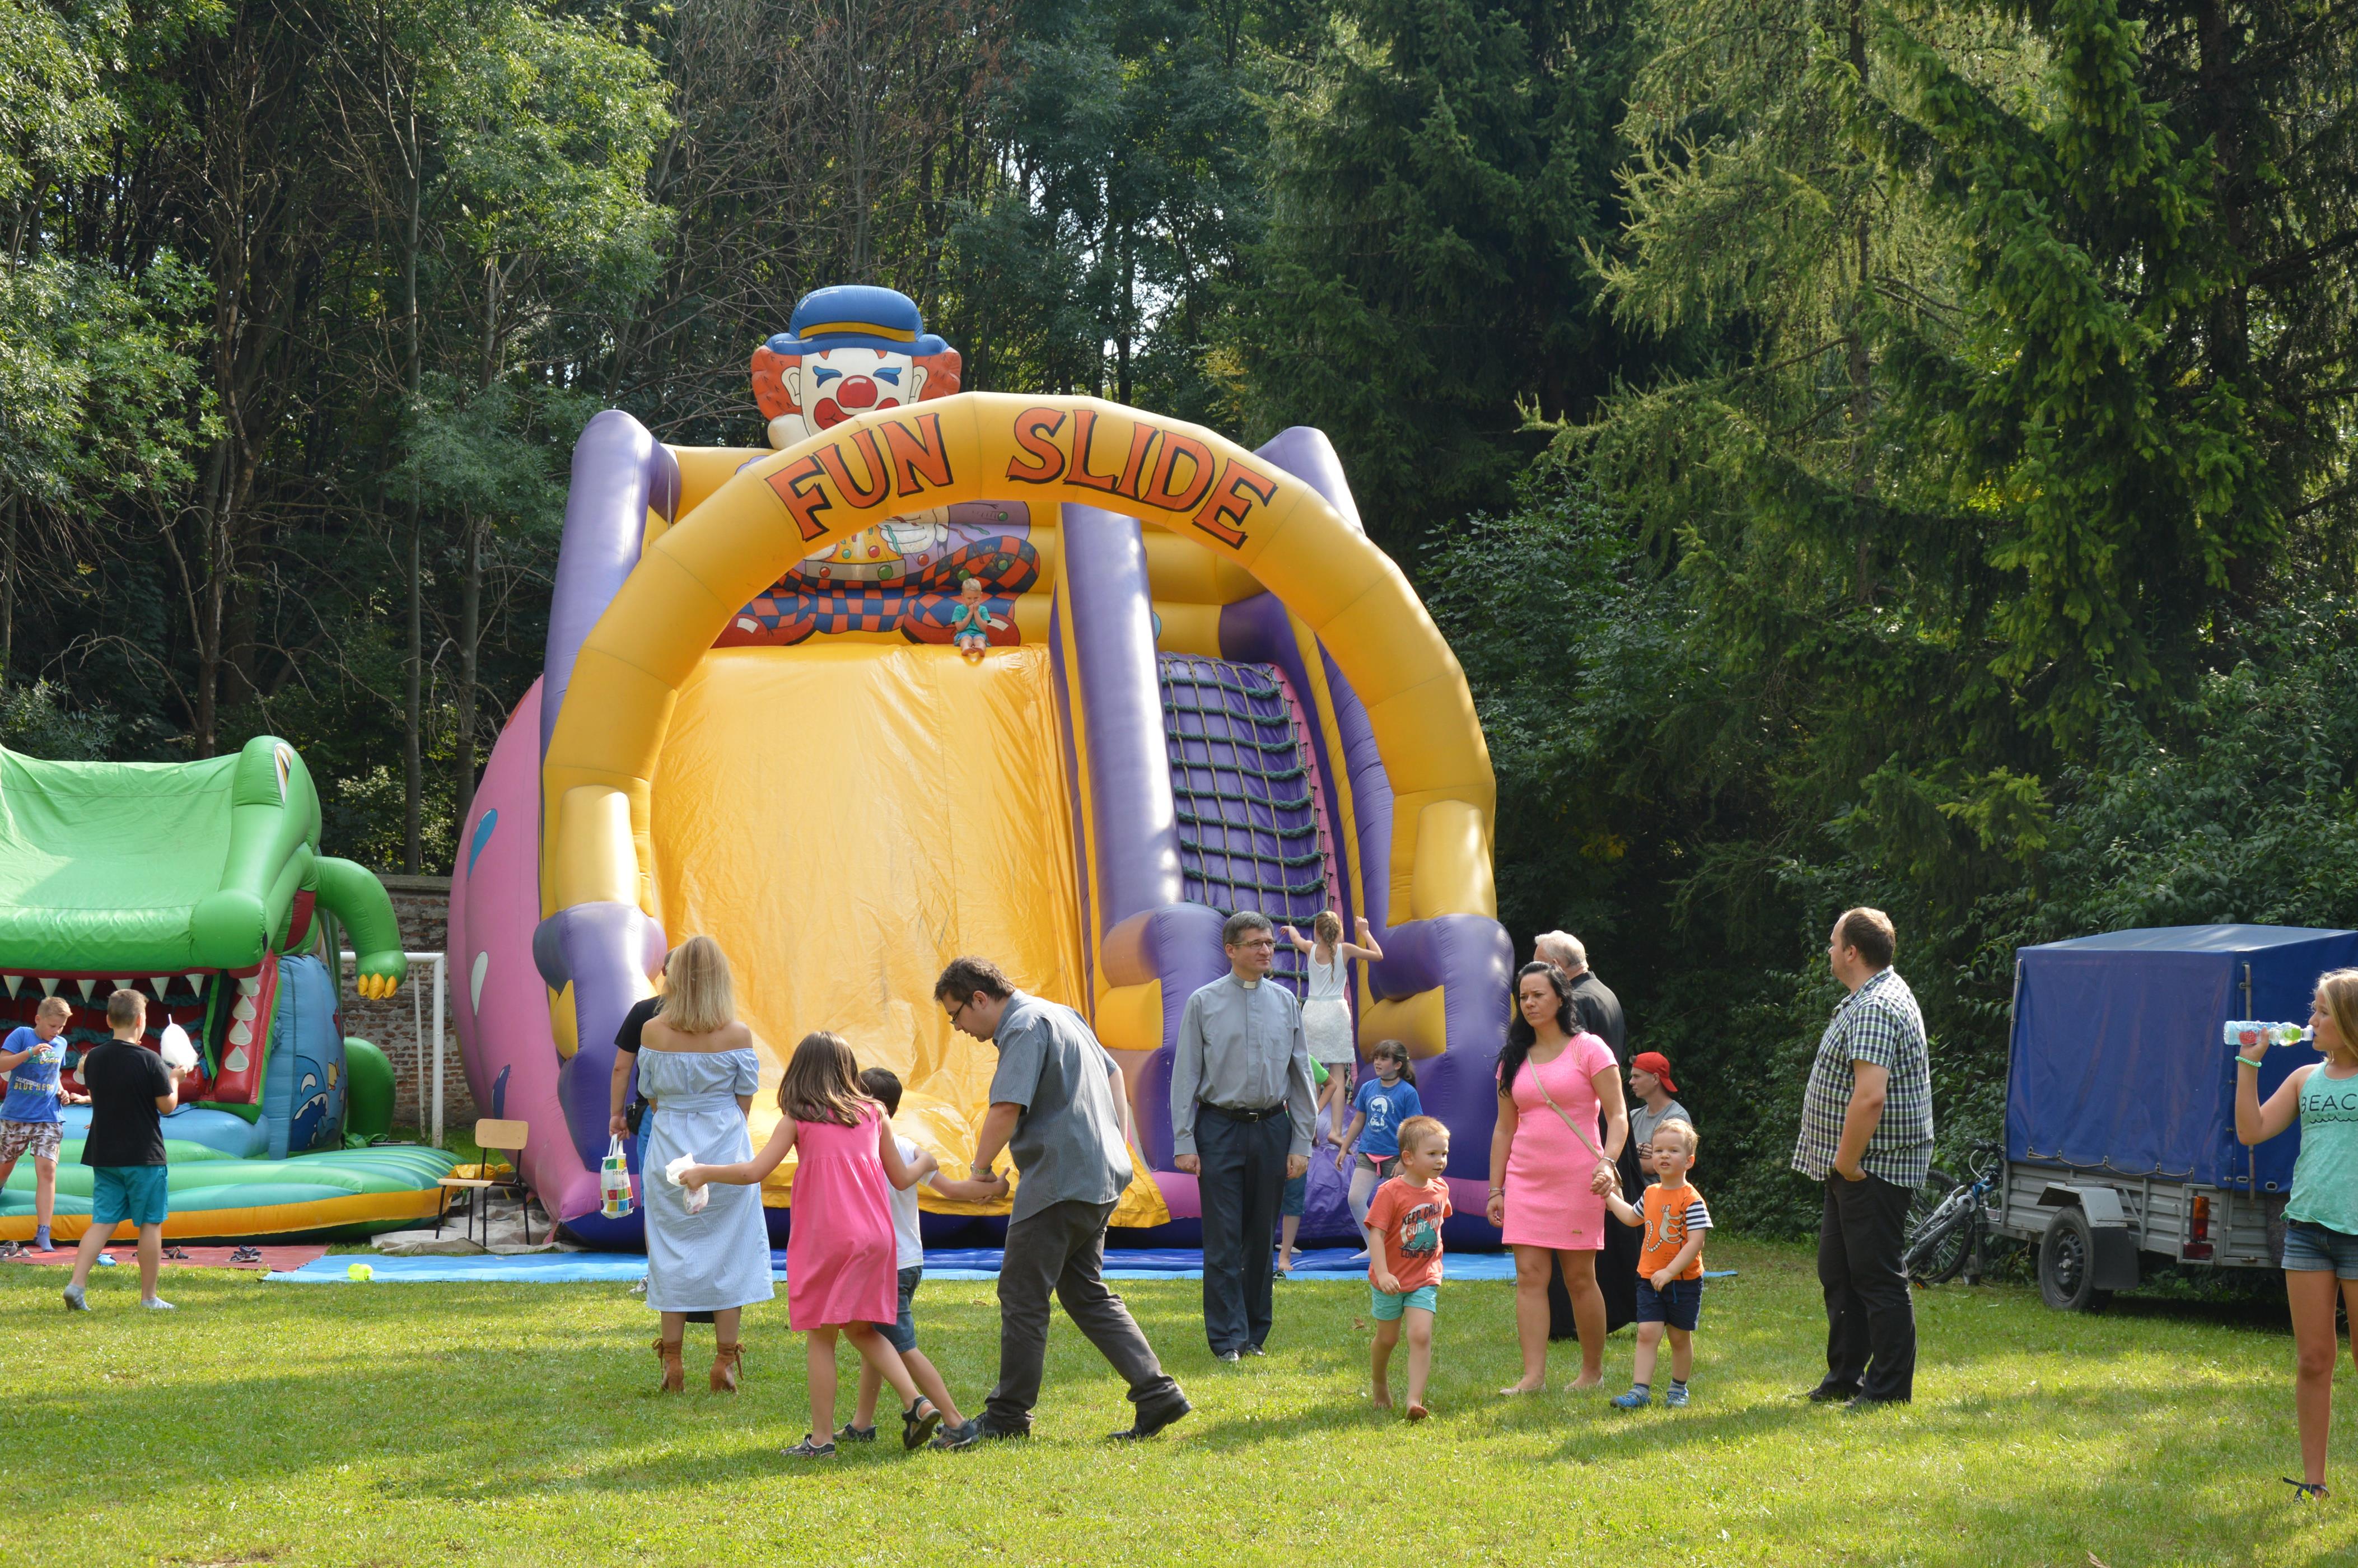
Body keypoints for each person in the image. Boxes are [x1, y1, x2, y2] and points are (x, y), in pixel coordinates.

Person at [933, 955, 1190, 1445]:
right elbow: (1115, 1076)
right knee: (1084, 1291)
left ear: (979, 999)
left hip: (1059, 1181)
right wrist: (1115, 1141)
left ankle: (1008, 1416)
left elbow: (1006, 1107)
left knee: (1022, 1294)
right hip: (1098, 1175)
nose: (958, 1028)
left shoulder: (1023, 1026)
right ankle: (1157, 1393)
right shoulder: (1061, 1014)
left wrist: (979, 1171)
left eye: (955, 1015)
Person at [680, 1031, 941, 1458]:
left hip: (829, 1239)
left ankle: (821, 1441)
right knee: (861, 1328)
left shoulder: (798, 1119)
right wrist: (927, 1162)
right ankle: (917, 1403)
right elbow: (899, 1178)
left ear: (799, 1072)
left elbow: (753, 1172)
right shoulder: (875, 1114)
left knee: (822, 1338)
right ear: (848, 1070)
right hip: (877, 1238)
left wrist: (704, 1172)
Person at [613, 937, 771, 1394]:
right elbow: (745, 1099)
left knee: (670, 1251)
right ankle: (724, 1359)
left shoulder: (653, 1031)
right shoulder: (737, 1035)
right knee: (731, 1250)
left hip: (669, 1146)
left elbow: (650, 1094)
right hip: (724, 1148)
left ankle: (673, 1358)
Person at [1792, 906, 1933, 1410]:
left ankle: (1888, 1389)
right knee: (1839, 1272)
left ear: (1852, 952)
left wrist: (1848, 1163)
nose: (1829, 950)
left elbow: (1870, 1095)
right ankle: (1844, 1377)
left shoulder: (1876, 1006)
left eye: (1833, 943)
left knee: (1875, 1277)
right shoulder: (1870, 996)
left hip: (1873, 1166)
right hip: (1853, 1166)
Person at [2234, 967, 2358, 1500]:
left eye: (2321, 1012)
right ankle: (2314, 1484)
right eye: (2314, 1010)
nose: (2311, 1020)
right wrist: (2248, 1063)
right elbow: (2251, 1130)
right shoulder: (2304, 1079)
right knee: (2312, 1361)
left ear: (2349, 1020)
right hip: (2307, 1231)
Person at [1172, 911, 1316, 1360]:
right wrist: (1184, 1141)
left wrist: (1301, 1142)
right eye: (1255, 943)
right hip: (1219, 1128)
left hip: (1273, 1128)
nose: (1266, 950)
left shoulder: (1286, 1002)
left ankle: (1254, 1335)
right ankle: (1226, 1339)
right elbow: (1185, 1075)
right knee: (1223, 1237)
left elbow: (1301, 1077)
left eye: (1270, 943)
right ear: (1231, 950)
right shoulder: (1203, 1002)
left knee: (1260, 1236)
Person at [838, 1066, 1004, 1447]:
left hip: (883, 1265)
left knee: (901, 1346)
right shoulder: (908, 1148)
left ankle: (955, 1422)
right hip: (910, 1262)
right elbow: (954, 1191)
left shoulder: (855, 1150)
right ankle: (862, 1424)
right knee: (876, 1339)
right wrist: (996, 1189)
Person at [1487, 960, 1626, 1393]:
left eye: (1538, 995)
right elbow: (1503, 1128)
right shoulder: (1512, 1058)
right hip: (1525, 1179)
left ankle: (1591, 1373)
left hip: (1580, 1180)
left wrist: (1608, 1162)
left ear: (1561, 998)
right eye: (1523, 997)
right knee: (1529, 1276)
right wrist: (1495, 1189)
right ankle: (1533, 1378)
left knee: (1580, 1278)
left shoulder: (1589, 1049)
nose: (1529, 1003)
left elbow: (1618, 1116)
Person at [62, 990, 183, 1312]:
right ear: (141, 1020)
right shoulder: (150, 1060)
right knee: (150, 1223)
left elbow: (104, 1097)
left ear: (108, 1019)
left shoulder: (94, 1059)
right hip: (144, 1155)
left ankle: (76, 1284)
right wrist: (175, 1079)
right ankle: (149, 1298)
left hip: (105, 1154)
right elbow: (167, 1106)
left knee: (102, 1221)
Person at [1604, 1120, 1713, 1408]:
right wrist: (1609, 1196)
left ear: (1689, 1161)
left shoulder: (1692, 1200)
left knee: (1679, 1338)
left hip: (1683, 1283)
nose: (1664, 1155)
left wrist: (1670, 1271)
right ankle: (1640, 1391)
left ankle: (1678, 1390)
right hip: (1649, 1278)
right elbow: (1632, 1217)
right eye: (1659, 1150)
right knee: (1646, 1333)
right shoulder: (1651, 1193)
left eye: (1673, 1151)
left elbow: (1696, 1242)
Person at [1364, 1114, 1452, 1420]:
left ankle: (1414, 1400)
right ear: (1408, 1158)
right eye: (1433, 1154)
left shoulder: (1441, 1189)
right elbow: (1376, 1234)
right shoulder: (1390, 1192)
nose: (1441, 1160)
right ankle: (1379, 1383)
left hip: (1425, 1278)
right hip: (1390, 1280)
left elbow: (1438, 1222)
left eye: (1444, 1153)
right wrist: (1384, 1272)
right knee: (1387, 1339)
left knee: (1421, 1335)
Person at [1280, 911, 1385, 1143]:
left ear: (1317, 932)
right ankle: (1336, 1131)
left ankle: (1310, 1130)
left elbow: (1296, 939)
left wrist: (1292, 928)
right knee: (1337, 1074)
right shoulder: (1345, 950)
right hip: (1336, 1012)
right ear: (1339, 931)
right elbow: (1378, 955)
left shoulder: (1311, 948)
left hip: (1313, 1012)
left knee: (1313, 1074)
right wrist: (1365, 931)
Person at [1, 996, 83, 1253]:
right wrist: (30, 1053)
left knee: (47, 1172)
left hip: (49, 1116)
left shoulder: (61, 1043)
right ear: (38, 1019)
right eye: (52, 1026)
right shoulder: (22, 1035)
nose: (56, 1031)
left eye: (61, 1027)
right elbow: (2, 1064)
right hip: (17, 1115)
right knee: (4, 1168)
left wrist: (61, 1091)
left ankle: (43, 1231)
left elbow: (53, 1075)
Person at [1333, 1039, 1421, 1253]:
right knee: (1355, 1199)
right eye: (1376, 1058)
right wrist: (1344, 1148)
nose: (1377, 1063)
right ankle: (1374, 1247)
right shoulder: (1368, 1088)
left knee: (1397, 1205)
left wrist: (1405, 1160)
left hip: (1395, 1156)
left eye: (1384, 1059)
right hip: (1369, 1153)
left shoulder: (1407, 1093)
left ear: (1398, 1065)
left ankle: (1398, 1249)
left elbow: (1413, 1128)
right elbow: (1358, 1120)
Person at [1535, 931, 1624, 1053]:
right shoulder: (1607, 993)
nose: (1534, 973)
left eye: (1538, 965)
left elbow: (1569, 1057)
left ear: (1555, 965)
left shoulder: (1571, 1001)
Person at [1628, 1050, 1692, 1187]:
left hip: (1662, 1198)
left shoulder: (1676, 1118)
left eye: (1637, 1076)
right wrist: (1635, 1152)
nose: (1631, 1082)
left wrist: (1627, 1155)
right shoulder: (1633, 1116)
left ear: (1656, 1079)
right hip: (1630, 1196)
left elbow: (1654, 1165)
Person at [951, 576, 1002, 661]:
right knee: (966, 639)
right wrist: (970, 613)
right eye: (969, 598)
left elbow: (983, 628)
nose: (972, 601)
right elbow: (960, 628)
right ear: (963, 596)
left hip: (979, 634)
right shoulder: (959, 609)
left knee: (980, 639)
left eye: (976, 598)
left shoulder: (983, 609)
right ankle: (966, 648)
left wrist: (976, 612)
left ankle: (981, 648)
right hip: (963, 634)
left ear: (981, 595)